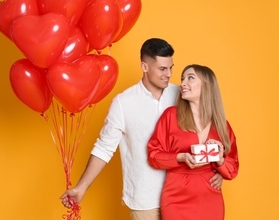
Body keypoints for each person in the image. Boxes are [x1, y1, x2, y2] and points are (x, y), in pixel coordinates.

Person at [60, 39, 223, 220]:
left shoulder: (182, 94)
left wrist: (218, 170)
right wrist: (81, 188)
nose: (168, 74)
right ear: (144, 67)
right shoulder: (124, 103)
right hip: (145, 200)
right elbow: (104, 148)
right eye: (162, 69)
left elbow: (209, 131)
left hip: (186, 197)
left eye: (171, 68)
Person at [147, 64, 239, 220]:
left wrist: (220, 161)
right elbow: (153, 155)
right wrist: (180, 158)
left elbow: (233, 168)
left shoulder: (222, 125)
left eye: (190, 78)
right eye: (182, 79)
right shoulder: (171, 116)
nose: (182, 83)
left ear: (207, 85)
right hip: (176, 198)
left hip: (210, 198)